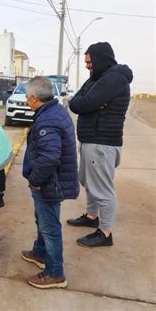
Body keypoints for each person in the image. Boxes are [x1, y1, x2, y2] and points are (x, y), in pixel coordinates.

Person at [67, 42, 133, 247]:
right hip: (92, 140)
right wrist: (88, 104)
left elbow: (84, 103)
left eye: (89, 61)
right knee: (89, 182)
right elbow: (75, 102)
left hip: (101, 142)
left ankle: (104, 233)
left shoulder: (114, 78)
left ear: (100, 59)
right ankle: (91, 216)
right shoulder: (97, 78)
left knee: (102, 189)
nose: (87, 66)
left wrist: (88, 103)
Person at [21, 76, 79, 289]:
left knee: (50, 227)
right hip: (50, 181)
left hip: (48, 183)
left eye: (27, 96)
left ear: (35, 98)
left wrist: (36, 180)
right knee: (43, 220)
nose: (26, 100)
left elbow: (49, 158)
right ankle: (40, 253)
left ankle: (56, 274)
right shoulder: (54, 111)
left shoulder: (47, 120)